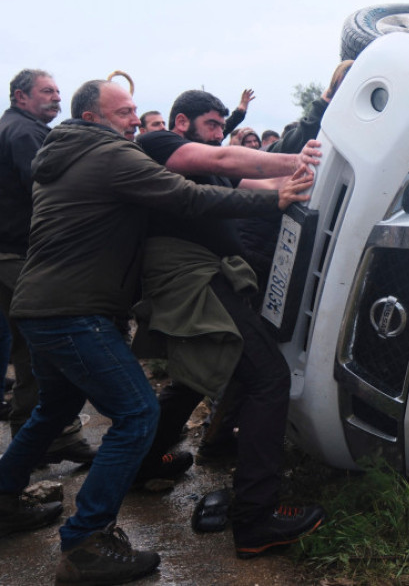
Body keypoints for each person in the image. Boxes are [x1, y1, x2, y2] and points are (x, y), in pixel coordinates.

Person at [0, 78, 313, 585]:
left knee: (53, 410)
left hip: (38, 306)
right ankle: (85, 542)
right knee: (136, 412)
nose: (135, 120)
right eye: (125, 113)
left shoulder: (62, 159)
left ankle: (5, 494)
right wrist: (272, 202)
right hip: (75, 310)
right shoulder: (109, 156)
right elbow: (186, 195)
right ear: (93, 117)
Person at [133, 89, 325, 558]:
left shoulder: (210, 167)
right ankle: (257, 518)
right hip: (189, 273)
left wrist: (309, 175)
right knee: (267, 377)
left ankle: (142, 465)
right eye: (213, 124)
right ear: (182, 123)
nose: (220, 131)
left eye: (223, 123)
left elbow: (257, 187)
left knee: (196, 375)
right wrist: (291, 157)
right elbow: (226, 158)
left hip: (209, 272)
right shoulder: (159, 147)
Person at [0, 69, 96, 463]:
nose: (57, 98)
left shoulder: (17, 127)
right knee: (52, 348)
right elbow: (48, 187)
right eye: (47, 91)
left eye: (58, 91)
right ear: (21, 96)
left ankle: (39, 442)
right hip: (20, 257)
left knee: (29, 352)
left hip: (11, 256)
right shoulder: (24, 133)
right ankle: (41, 443)